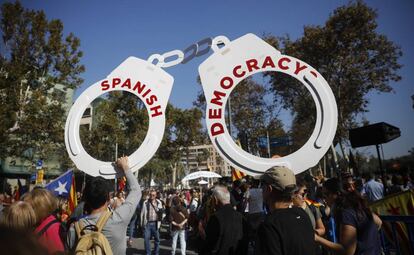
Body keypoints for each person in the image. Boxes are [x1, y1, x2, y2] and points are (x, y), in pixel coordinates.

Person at [67, 156, 141, 255]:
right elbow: (136, 191)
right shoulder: (118, 219)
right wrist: (125, 167)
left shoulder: (74, 229)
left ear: (86, 199)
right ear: (108, 199)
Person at [254, 166, 315, 255]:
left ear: (268, 189)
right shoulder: (302, 214)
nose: (261, 189)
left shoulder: (269, 226)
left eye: (262, 185)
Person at [315, 178, 382, 255]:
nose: (324, 199)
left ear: (337, 194)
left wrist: (317, 239)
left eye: (326, 194)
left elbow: (347, 251)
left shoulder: (345, 213)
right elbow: (379, 222)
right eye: (323, 196)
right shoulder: (356, 205)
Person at [200, 185, 248, 255]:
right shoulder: (241, 217)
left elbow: (210, 245)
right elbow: (245, 243)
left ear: (215, 200)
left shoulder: (215, 218)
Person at [23, 188, 65, 254]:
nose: (26, 211)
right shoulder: (38, 222)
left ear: (40, 208)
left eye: (30, 207)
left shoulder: (53, 229)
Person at [140, 189, 164, 255]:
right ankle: (148, 253)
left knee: (157, 239)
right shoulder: (145, 202)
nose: (152, 196)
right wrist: (142, 224)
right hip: (147, 223)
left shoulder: (159, 202)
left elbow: (161, 213)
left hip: (156, 223)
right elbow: (142, 214)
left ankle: (156, 252)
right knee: (146, 239)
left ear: (156, 195)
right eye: (150, 195)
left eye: (153, 195)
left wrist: (160, 221)